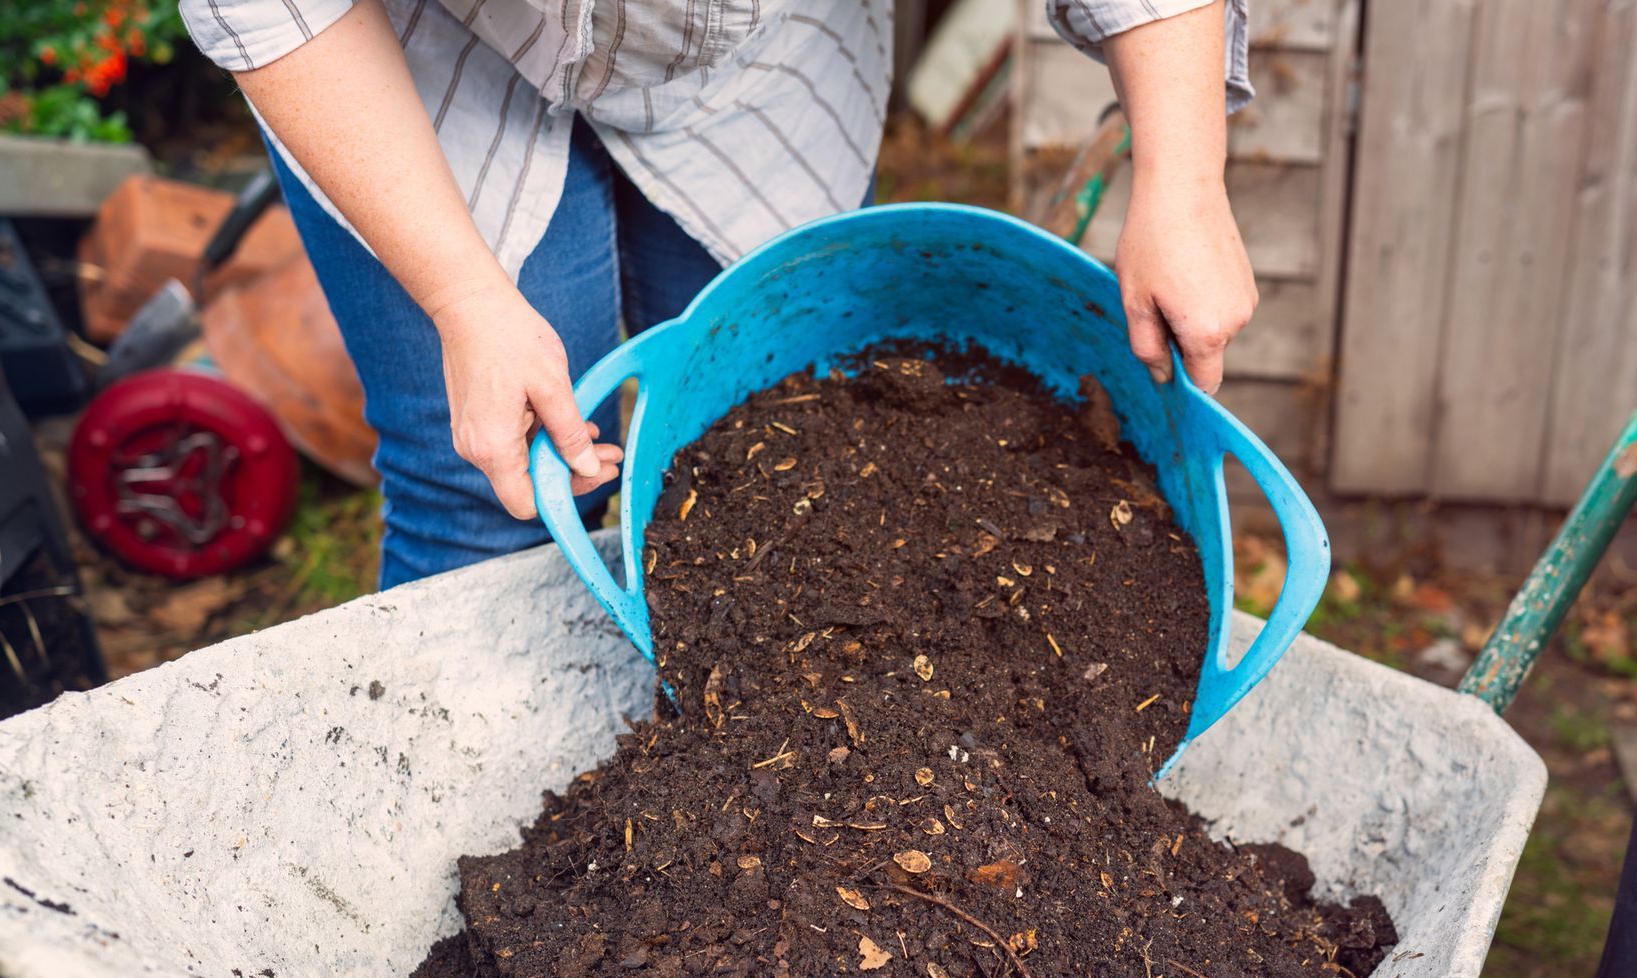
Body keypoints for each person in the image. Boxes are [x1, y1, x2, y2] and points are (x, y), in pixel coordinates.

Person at [179, 0, 1261, 588]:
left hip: (755, 47)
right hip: (431, 46)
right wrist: (465, 296)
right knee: (490, 490)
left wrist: (1182, 171)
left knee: (786, 450)